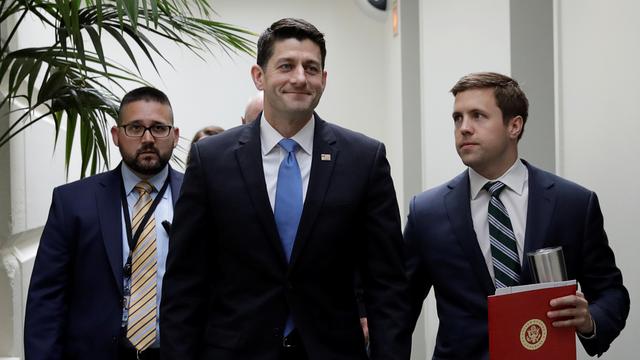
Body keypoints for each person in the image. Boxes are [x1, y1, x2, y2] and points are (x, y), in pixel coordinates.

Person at [160, 18, 410, 360]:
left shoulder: (364, 159)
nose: (299, 78)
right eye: (286, 66)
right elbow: (184, 283)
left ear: (324, 79)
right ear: (258, 76)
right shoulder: (212, 159)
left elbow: (388, 286)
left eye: (311, 68)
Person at [404, 72, 630, 359]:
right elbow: (399, 306)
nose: (464, 128)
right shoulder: (427, 212)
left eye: (477, 116)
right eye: (457, 118)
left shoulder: (573, 203)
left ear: (514, 125)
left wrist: (589, 320)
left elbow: (611, 293)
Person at [24, 87, 184, 360]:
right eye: (135, 128)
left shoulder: (201, 197)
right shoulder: (72, 202)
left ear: (175, 135)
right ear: (116, 135)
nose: (147, 138)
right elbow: (47, 300)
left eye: (159, 128)